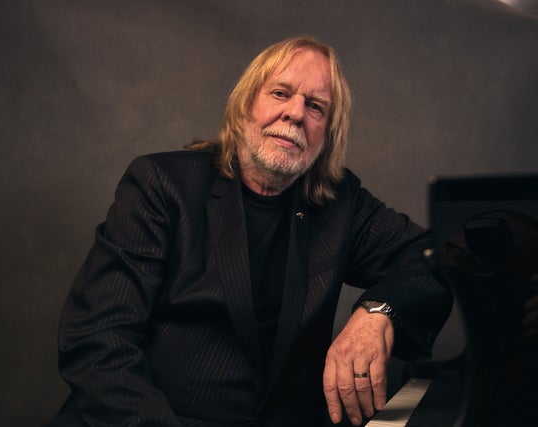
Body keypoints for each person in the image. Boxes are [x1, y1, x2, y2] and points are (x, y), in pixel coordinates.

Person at [46, 35, 452, 427]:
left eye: (315, 106)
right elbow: (97, 341)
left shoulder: (340, 202)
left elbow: (438, 257)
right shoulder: (161, 184)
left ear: (328, 133)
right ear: (244, 106)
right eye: (280, 93)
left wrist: (378, 312)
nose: (295, 113)